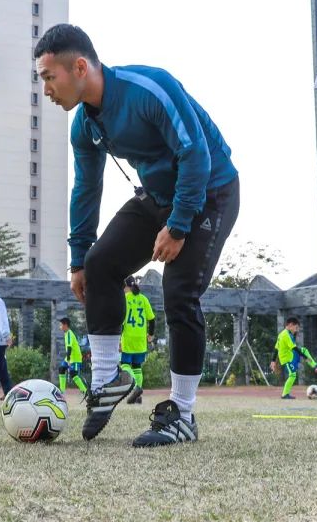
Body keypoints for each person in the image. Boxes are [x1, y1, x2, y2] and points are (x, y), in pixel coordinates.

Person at [35, 24, 240, 447]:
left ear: (79, 67)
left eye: (48, 77)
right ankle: (108, 380)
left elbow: (195, 154)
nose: (46, 89)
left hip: (210, 190)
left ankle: (182, 414)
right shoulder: (84, 127)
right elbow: (86, 191)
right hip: (158, 195)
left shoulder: (150, 88)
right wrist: (77, 260)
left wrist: (179, 226)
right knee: (100, 265)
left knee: (180, 292)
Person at [269, 317, 317, 399]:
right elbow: (294, 348)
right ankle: (284, 395)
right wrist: (306, 358)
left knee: (303, 350)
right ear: (290, 325)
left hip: (291, 356)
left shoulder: (283, 333)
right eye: (296, 328)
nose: (297, 330)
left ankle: (315, 366)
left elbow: (276, 348)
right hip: (287, 359)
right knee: (292, 375)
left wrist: (273, 361)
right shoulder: (286, 335)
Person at [121, 276, 155, 405]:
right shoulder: (143, 299)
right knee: (137, 366)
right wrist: (150, 334)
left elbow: (120, 322)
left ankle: (134, 385)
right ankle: (138, 394)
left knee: (124, 364)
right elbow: (151, 319)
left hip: (128, 338)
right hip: (141, 339)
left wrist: (118, 337)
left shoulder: (124, 299)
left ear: (126, 286)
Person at [58, 317, 88, 395]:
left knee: (73, 374)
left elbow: (69, 347)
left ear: (65, 325)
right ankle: (62, 391)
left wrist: (68, 360)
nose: (60, 327)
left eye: (61, 325)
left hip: (75, 358)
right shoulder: (66, 333)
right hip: (70, 357)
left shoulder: (69, 334)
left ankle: (85, 391)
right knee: (61, 369)